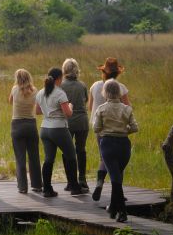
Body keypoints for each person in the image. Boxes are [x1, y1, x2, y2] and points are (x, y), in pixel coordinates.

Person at [36, 68, 87, 197]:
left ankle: (47, 189)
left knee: (49, 159)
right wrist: (70, 106)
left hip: (44, 129)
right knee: (71, 156)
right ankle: (75, 187)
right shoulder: (60, 93)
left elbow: (37, 111)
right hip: (58, 128)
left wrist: (50, 111)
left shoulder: (41, 92)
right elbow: (68, 114)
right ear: (59, 78)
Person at [93, 79, 139, 222]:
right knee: (117, 176)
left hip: (108, 145)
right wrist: (123, 131)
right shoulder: (127, 109)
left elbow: (96, 128)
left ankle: (123, 212)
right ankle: (113, 208)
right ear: (119, 92)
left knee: (115, 178)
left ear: (105, 93)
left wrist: (107, 130)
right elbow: (135, 128)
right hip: (124, 146)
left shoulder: (101, 109)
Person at [88, 57, 131, 201]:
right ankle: (119, 193)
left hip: (99, 128)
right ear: (117, 73)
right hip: (117, 129)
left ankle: (99, 183)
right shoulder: (121, 87)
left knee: (104, 157)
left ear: (103, 72)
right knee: (118, 161)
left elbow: (90, 108)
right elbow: (127, 108)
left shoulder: (94, 86)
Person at [8, 69, 42, 194]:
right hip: (30, 124)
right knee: (34, 156)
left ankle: (22, 187)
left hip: (17, 125)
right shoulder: (35, 90)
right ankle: (37, 185)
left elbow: (10, 101)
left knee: (20, 157)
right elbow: (38, 107)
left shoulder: (14, 89)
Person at [59, 58, 89, 191]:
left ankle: (70, 181)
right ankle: (82, 179)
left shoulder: (60, 86)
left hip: (67, 122)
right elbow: (86, 100)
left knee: (67, 152)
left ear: (64, 70)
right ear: (76, 69)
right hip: (82, 121)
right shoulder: (82, 85)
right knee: (81, 150)